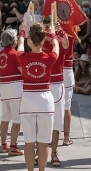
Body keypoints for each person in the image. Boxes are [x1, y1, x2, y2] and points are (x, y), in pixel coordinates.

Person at [17, 23, 59, 171]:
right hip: (45, 101)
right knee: (43, 142)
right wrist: (53, 34)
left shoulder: (22, 57)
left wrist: (22, 31)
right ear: (42, 40)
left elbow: (20, 44)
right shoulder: (50, 58)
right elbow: (56, 47)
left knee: (29, 141)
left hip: (28, 99)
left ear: (30, 40)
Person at [42, 17, 68, 166]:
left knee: (57, 122)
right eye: (46, 25)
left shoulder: (58, 38)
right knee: (42, 121)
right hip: (43, 84)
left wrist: (59, 31)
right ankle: (40, 151)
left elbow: (65, 44)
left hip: (57, 84)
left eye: (49, 25)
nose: (48, 28)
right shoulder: (39, 38)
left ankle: (54, 153)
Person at [0, 29, 23, 156]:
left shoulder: (1, 53)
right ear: (14, 41)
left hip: (4, 87)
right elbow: (22, 71)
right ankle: (13, 146)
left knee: (5, 117)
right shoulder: (15, 54)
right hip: (15, 88)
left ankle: (3, 144)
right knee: (17, 120)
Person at [63, 36, 75, 146]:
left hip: (57, 68)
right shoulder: (71, 29)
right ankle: (66, 137)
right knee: (66, 106)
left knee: (53, 106)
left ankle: (49, 136)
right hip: (65, 70)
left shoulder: (50, 32)